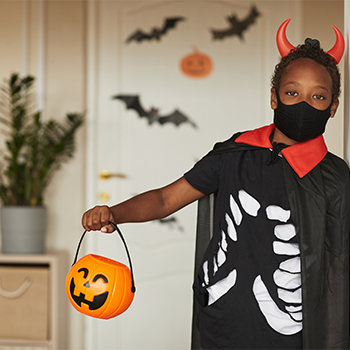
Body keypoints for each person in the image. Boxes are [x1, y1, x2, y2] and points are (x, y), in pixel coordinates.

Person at [82, 20, 349, 350]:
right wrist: (113, 213)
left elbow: (339, 269)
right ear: (274, 98)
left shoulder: (335, 179)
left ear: (333, 107)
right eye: (292, 92)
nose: (303, 104)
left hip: (291, 337)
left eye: (318, 97)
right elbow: (166, 199)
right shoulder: (233, 155)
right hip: (221, 322)